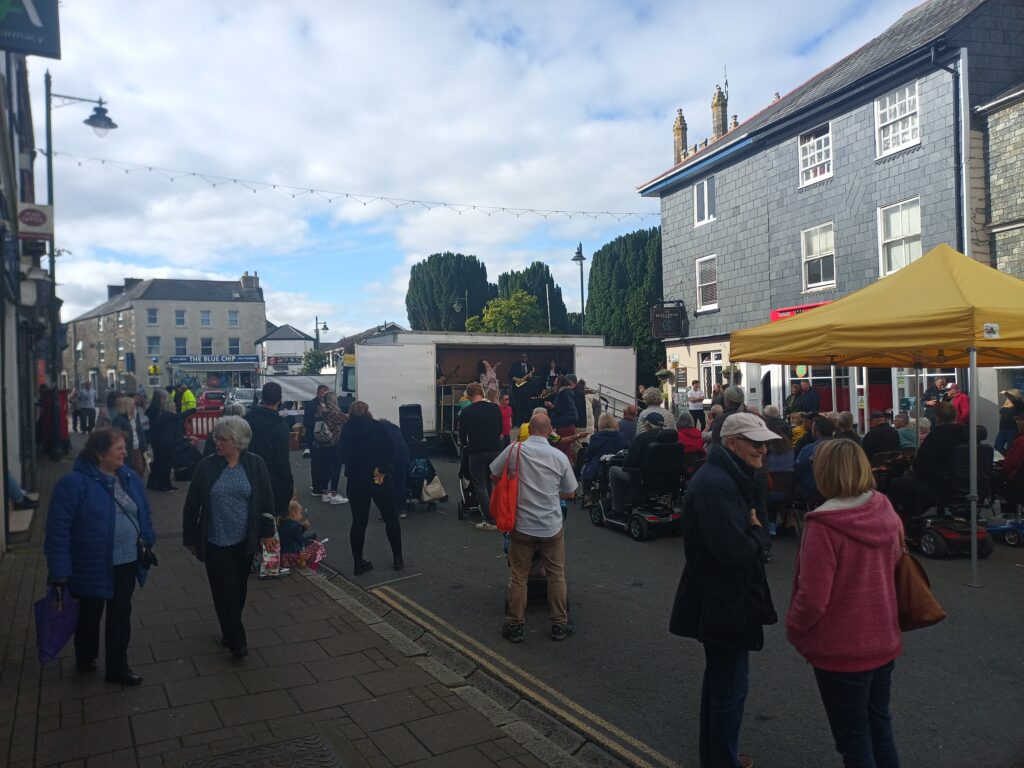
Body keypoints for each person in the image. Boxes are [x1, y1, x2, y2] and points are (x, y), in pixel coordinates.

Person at [786, 439, 903, 767]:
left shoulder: (823, 525)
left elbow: (812, 598)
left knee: (854, 741)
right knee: (880, 729)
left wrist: (794, 628)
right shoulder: (884, 508)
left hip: (841, 649)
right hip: (883, 639)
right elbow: (896, 564)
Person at [669, 413, 776, 768]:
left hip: (722, 594)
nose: (763, 449)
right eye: (755, 442)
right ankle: (722, 761)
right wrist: (760, 534)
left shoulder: (725, 476)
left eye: (764, 443)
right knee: (730, 687)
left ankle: (718, 757)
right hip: (723, 597)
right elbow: (734, 551)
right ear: (732, 443)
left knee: (722, 682)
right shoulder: (717, 483)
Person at [46, 428, 156, 685]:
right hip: (91, 564)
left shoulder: (129, 477)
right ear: (99, 453)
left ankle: (117, 667)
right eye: (119, 448)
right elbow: (58, 531)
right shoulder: (73, 484)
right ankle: (86, 658)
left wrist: (148, 537)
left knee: (120, 616)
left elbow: (144, 511)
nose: (125, 452)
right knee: (88, 616)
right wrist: (59, 571)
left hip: (127, 561)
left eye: (124, 448)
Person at [182, 415, 276, 659]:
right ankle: (238, 641)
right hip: (215, 541)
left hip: (245, 541)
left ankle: (228, 628)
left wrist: (266, 533)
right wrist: (190, 537)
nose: (217, 443)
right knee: (224, 589)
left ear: (238, 441)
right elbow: (192, 503)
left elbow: (266, 501)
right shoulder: (207, 466)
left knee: (239, 590)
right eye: (216, 438)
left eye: (222, 439)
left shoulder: (255, 464)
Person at [493, 413, 578, 643]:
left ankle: (515, 625)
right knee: (556, 575)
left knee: (519, 576)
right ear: (550, 432)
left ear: (529, 430)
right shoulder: (558, 457)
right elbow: (570, 492)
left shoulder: (514, 450)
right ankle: (559, 624)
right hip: (550, 525)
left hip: (521, 525)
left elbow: (494, 474)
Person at [338, 401, 404, 574]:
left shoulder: (346, 430)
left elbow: (342, 455)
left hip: (356, 480)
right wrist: (382, 469)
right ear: (368, 411)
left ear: (351, 413)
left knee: (359, 522)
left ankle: (358, 562)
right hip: (378, 478)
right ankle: (398, 558)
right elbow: (390, 449)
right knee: (391, 518)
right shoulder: (377, 427)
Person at [887, 402, 968, 517]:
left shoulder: (936, 436)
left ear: (937, 418)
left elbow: (922, 465)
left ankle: (912, 517)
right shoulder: (968, 435)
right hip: (967, 485)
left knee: (897, 483)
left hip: (939, 485)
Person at [608, 411, 673, 519]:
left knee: (613, 471)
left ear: (647, 425)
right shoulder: (670, 439)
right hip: (667, 479)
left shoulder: (641, 439)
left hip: (642, 478)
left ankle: (617, 509)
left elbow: (628, 463)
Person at [245, 381, 295, 518]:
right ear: (280, 399)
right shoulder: (281, 427)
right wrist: (289, 484)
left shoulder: (246, 421)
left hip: (248, 478)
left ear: (262, 398)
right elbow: (282, 460)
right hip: (273, 483)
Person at [459, 382, 504, 530]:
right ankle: (498, 513)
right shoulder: (495, 408)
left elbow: (462, 436)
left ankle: (489, 520)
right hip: (495, 451)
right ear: (482, 393)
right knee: (494, 482)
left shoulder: (466, 412)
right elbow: (501, 429)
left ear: (469, 395)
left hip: (476, 452)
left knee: (480, 485)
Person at [146, 389, 187, 493]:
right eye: (164, 398)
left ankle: (158, 483)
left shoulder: (155, 409)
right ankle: (163, 485)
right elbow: (176, 417)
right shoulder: (158, 411)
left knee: (160, 463)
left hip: (159, 440)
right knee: (164, 463)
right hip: (162, 440)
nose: (166, 400)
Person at [315, 392, 348, 504]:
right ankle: (334, 494)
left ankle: (325, 493)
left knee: (324, 468)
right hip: (334, 444)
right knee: (335, 469)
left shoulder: (320, 410)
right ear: (333, 400)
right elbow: (346, 419)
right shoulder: (334, 412)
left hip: (322, 443)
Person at [795, 415, 835, 504]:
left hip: (814, 494)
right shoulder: (841, 448)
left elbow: (797, 469)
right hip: (837, 492)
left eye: (812, 429)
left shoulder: (808, 449)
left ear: (817, 431)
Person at [581, 412, 629, 487]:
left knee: (584, 467)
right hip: (617, 467)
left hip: (597, 470)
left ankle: (587, 494)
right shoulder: (622, 436)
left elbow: (588, 454)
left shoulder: (596, 437)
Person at [278, 499, 327, 571]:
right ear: (294, 513)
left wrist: (304, 528)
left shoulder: (282, 523)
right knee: (318, 547)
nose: (301, 515)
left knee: (312, 537)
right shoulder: (295, 526)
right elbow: (303, 541)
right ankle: (312, 569)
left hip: (282, 553)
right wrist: (313, 541)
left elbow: (294, 535)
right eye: (300, 513)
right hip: (291, 555)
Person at [379, 417, 410, 519]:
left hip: (389, 458)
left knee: (385, 485)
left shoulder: (380, 430)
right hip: (402, 456)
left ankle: (386, 512)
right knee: (400, 483)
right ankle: (402, 510)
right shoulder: (395, 428)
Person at [303, 385, 329, 494]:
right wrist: (319, 420)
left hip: (324, 438)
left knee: (323, 463)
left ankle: (322, 485)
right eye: (323, 394)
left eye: (326, 394)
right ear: (318, 393)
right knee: (316, 463)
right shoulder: (312, 404)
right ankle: (317, 488)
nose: (324, 396)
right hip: (314, 439)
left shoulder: (327, 404)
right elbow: (306, 422)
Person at [111, 396, 145, 478]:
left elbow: (140, 432)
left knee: (140, 470)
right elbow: (116, 436)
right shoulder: (119, 420)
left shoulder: (135, 417)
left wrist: (144, 447)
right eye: (133, 405)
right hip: (127, 449)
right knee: (127, 470)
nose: (135, 406)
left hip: (138, 448)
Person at [545, 376, 579, 460]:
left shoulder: (562, 395)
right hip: (566, 425)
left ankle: (565, 468)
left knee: (561, 449)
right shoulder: (568, 393)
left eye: (556, 381)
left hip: (563, 426)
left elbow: (560, 411)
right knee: (565, 449)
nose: (554, 383)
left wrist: (551, 406)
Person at [995, 389, 1024, 455]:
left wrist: (1005, 393)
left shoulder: (1019, 403)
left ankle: (1009, 461)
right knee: (997, 445)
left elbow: (1014, 399)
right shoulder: (1006, 404)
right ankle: (1009, 458)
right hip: (1002, 429)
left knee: (1011, 447)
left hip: (1012, 429)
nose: (1007, 397)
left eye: (1009, 395)